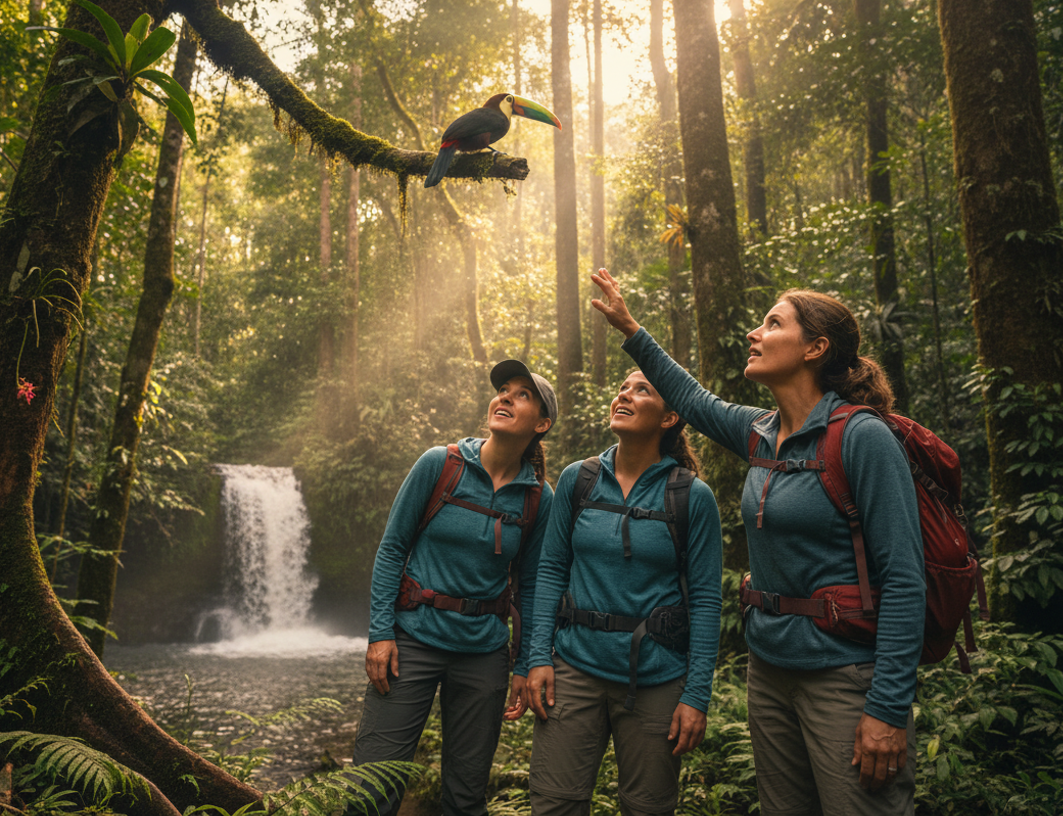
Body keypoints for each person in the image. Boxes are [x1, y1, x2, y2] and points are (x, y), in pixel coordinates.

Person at [590, 267, 925, 815]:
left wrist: (888, 709)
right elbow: (691, 400)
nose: (754, 333)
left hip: (844, 676)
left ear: (815, 347)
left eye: (773, 323)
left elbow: (906, 580)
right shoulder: (761, 432)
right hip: (768, 672)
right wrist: (630, 328)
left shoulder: (863, 437)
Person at [351, 360, 556, 816]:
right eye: (503, 389)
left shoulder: (540, 498)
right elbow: (392, 550)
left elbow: (535, 587)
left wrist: (526, 661)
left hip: (482, 654)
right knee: (372, 788)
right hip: (411, 643)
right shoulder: (440, 464)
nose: (505, 396)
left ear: (541, 425)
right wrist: (380, 633)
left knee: (465, 797)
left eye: (522, 394)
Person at [526, 369, 722, 816]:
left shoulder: (692, 497)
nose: (624, 395)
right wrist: (539, 657)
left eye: (642, 390)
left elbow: (709, 599)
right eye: (622, 388)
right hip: (574, 669)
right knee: (554, 803)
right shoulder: (579, 480)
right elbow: (551, 570)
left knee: (648, 807)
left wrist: (695, 696)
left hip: (657, 678)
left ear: (670, 416)